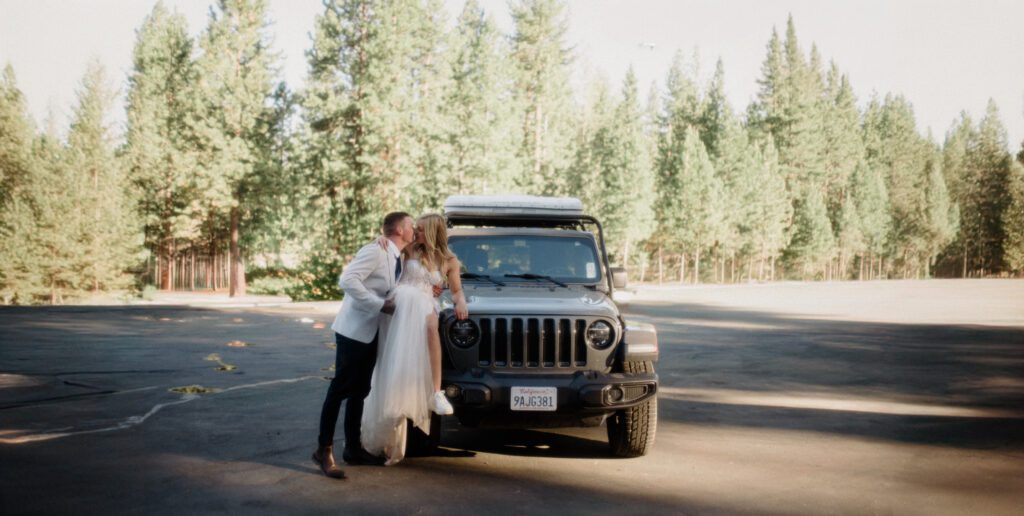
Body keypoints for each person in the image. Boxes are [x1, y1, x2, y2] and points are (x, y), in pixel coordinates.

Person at [312, 212, 416, 480]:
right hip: (353, 331)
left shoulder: (397, 255)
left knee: (360, 390)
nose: (414, 229)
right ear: (401, 229)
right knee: (340, 389)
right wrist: (379, 304)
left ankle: (353, 449)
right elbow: (347, 281)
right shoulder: (376, 251)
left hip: (372, 332)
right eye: (411, 225)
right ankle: (323, 450)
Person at [360, 213, 469, 465]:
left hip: (423, 309)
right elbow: (390, 247)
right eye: (415, 228)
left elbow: (456, 290)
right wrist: (380, 239)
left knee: (432, 324)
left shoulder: (449, 260)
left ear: (432, 231)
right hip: (400, 309)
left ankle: (436, 392)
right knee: (392, 370)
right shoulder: (409, 249)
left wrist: (461, 301)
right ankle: (385, 434)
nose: (415, 232)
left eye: (420, 229)